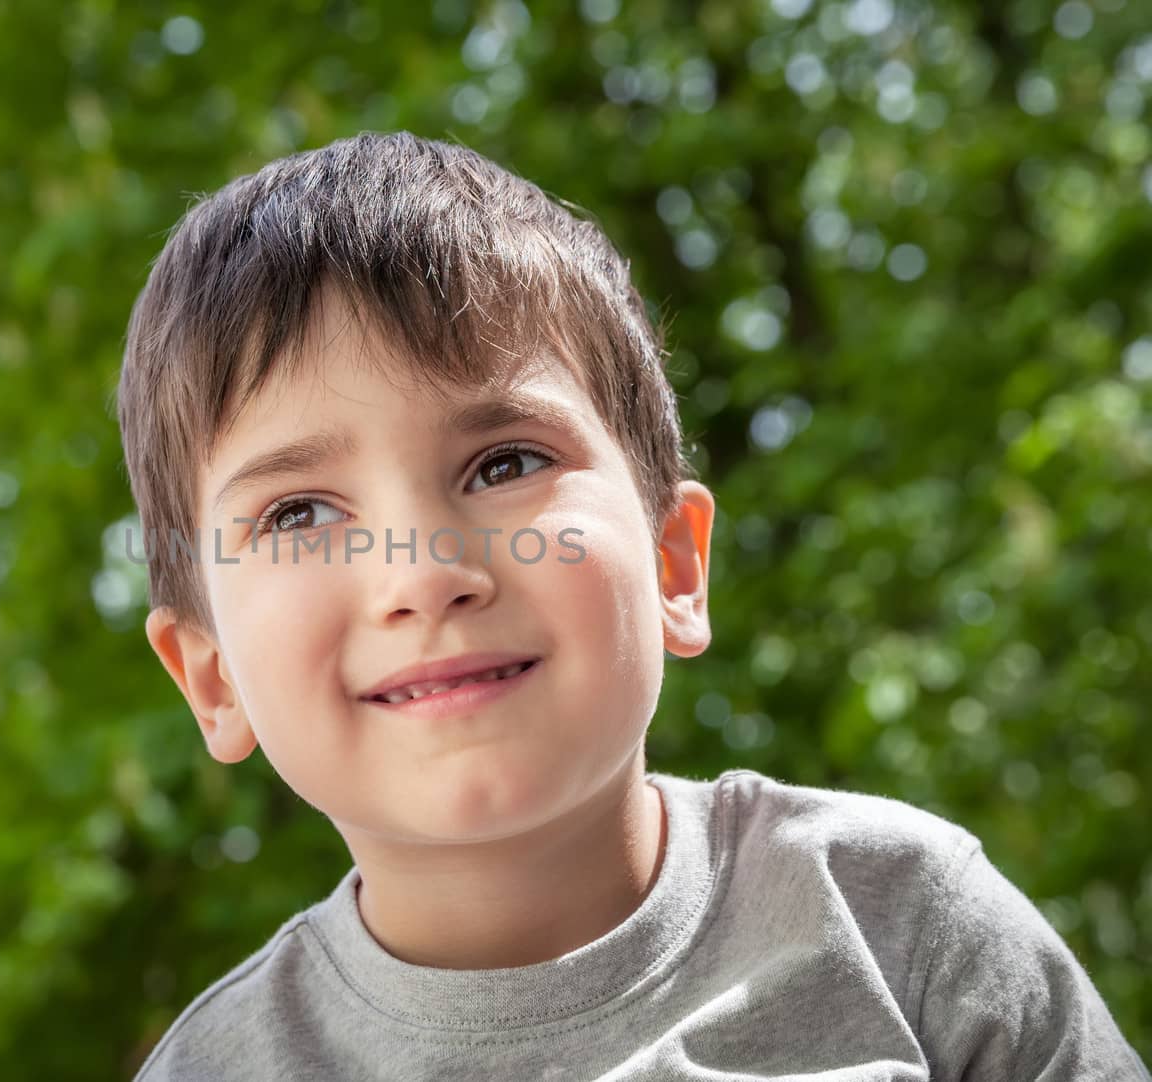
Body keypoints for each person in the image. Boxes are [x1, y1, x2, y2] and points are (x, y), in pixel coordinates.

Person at [113, 131, 1148, 1080]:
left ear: (673, 565)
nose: (424, 570)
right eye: (298, 512)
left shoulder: (904, 922)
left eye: (504, 461)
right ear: (209, 675)